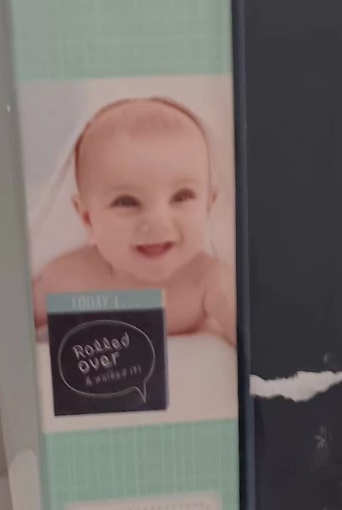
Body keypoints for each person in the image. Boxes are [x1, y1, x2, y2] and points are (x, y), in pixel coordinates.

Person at [31, 97, 236, 345]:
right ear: (87, 218)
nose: (158, 222)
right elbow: (2, 331)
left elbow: (259, 342)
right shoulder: (66, 281)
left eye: (181, 197)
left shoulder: (208, 281)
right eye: (127, 202)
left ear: (208, 205)